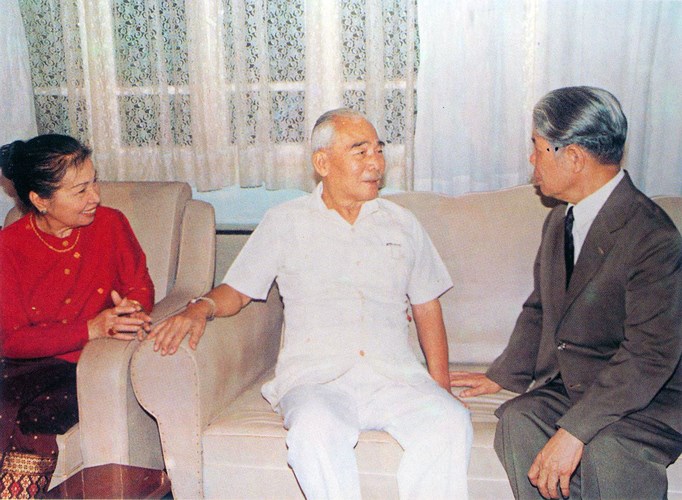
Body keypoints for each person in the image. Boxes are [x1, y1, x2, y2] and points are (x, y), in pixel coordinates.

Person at [150, 108, 473, 499]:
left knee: (451, 421)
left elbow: (426, 305)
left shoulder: (403, 223)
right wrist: (200, 307)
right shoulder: (285, 222)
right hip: (317, 380)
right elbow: (238, 290)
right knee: (314, 431)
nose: (376, 163)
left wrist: (440, 385)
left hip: (395, 377)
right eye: (361, 152)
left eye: (379, 150)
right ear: (323, 163)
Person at [450, 86, 682, 499]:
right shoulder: (561, 220)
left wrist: (575, 430)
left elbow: (649, 356)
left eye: (537, 147)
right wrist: (503, 374)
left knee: (610, 448)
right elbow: (541, 308)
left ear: (573, 157)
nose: (531, 159)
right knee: (520, 418)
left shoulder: (653, 237)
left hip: (650, 397)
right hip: (582, 384)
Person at [0, 134, 154, 498]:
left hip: (85, 366)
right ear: (40, 200)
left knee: (35, 419)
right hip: (24, 365)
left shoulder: (111, 224)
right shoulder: (8, 247)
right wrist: (90, 328)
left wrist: (131, 309)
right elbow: (11, 340)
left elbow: (140, 285)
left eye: (94, 182)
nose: (95, 197)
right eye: (81, 190)